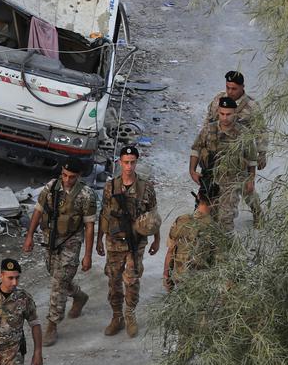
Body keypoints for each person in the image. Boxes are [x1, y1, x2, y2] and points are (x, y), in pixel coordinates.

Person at [22, 158, 96, 346]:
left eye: (72, 177)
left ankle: (52, 325)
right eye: (64, 175)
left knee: (58, 282)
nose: (67, 180)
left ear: (78, 176)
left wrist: (87, 255)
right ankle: (79, 295)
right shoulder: (52, 187)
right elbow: (38, 211)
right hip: (51, 239)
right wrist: (29, 235)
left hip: (71, 241)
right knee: (55, 275)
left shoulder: (86, 195)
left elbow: (89, 226)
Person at [96, 145, 160, 337]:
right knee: (114, 280)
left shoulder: (145, 187)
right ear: (120, 162)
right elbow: (104, 214)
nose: (129, 167)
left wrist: (156, 239)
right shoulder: (111, 186)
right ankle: (117, 316)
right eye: (126, 162)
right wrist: (99, 239)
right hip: (114, 241)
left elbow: (153, 216)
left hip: (136, 241)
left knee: (131, 279)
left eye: (132, 163)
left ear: (136, 163)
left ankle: (130, 314)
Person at [205, 70, 267, 225]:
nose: (230, 92)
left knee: (247, 188)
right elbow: (209, 121)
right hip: (219, 153)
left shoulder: (252, 106)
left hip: (242, 155)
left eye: (234, 89)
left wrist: (261, 153)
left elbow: (260, 131)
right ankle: (216, 217)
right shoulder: (219, 99)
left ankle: (257, 212)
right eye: (228, 88)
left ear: (242, 87)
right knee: (216, 186)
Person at [190, 96, 258, 232]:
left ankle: (225, 246)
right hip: (211, 178)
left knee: (225, 217)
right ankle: (210, 245)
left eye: (228, 114)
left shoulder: (243, 133)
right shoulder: (208, 130)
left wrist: (251, 179)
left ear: (235, 114)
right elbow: (196, 149)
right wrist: (192, 171)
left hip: (233, 180)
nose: (225, 117)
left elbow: (251, 159)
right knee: (204, 215)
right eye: (222, 114)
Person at [163, 188, 216, 291]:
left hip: (180, 277)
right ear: (215, 201)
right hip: (201, 282)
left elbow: (170, 250)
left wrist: (166, 275)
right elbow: (218, 261)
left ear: (198, 197)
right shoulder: (214, 229)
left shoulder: (181, 221)